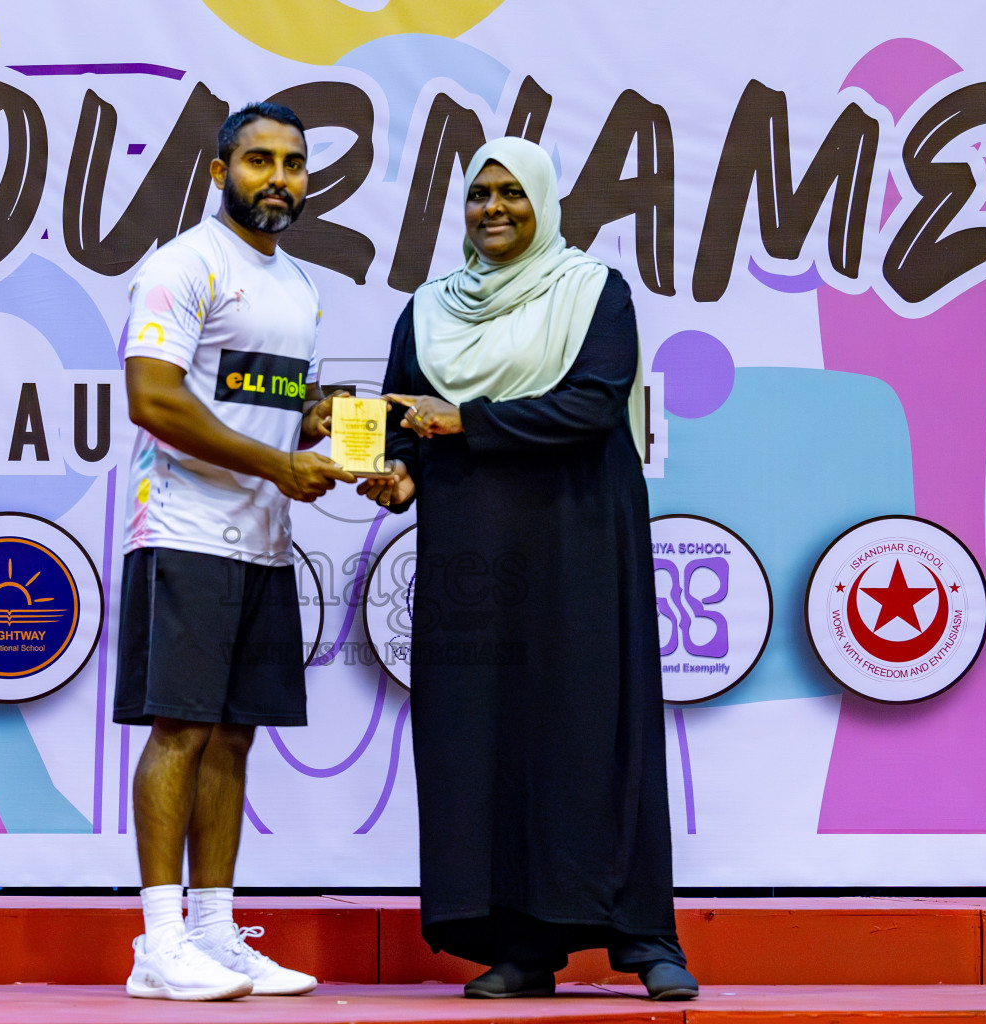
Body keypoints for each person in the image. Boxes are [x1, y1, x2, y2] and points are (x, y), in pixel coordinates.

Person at [359, 136, 699, 1001]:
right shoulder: (428, 309)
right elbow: (405, 421)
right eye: (479, 196)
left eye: (512, 194)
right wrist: (396, 472)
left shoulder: (590, 290)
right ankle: (518, 945)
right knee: (484, 737)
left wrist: (461, 424)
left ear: (543, 203)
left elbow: (592, 403)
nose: (494, 210)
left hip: (578, 537)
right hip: (472, 553)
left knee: (593, 725)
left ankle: (643, 938)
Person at [115, 101, 354, 1001]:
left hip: (263, 539)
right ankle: (158, 942)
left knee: (234, 735)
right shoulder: (182, 266)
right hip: (182, 528)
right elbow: (157, 401)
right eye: (259, 161)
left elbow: (274, 404)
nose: (279, 178)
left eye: (293, 163)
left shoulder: (298, 285)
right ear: (220, 172)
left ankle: (214, 933)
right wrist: (277, 461)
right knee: (179, 728)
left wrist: (338, 437)